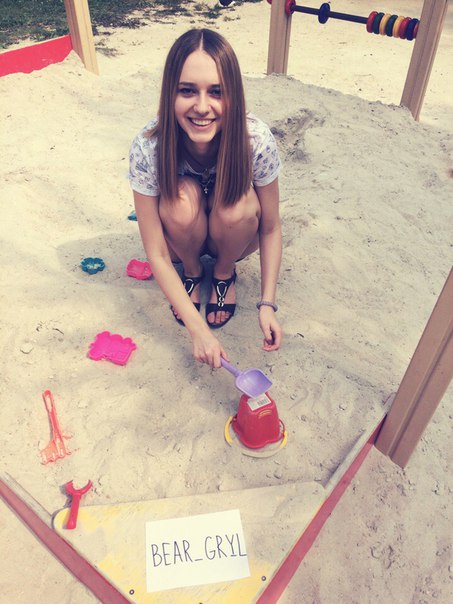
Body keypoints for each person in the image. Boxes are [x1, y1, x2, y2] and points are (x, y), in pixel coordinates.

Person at [129, 28, 282, 369]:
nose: (202, 107)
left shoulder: (255, 139)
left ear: (234, 95)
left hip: (235, 236)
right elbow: (156, 252)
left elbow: (271, 227)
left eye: (217, 92)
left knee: (237, 202)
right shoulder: (149, 145)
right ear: (170, 93)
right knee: (180, 199)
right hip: (180, 240)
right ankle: (193, 271)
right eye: (187, 91)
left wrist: (267, 304)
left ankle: (224, 273)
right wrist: (197, 329)